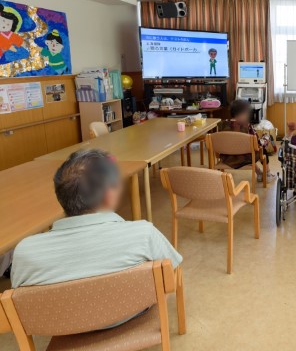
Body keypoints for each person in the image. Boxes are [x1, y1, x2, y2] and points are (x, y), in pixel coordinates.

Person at [11, 149, 182, 288]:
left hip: (63, 320)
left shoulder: (25, 253)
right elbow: (172, 274)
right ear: (109, 195)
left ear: (60, 196)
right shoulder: (143, 234)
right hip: (134, 313)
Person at [218, 99, 273, 180]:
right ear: (242, 113)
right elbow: (257, 143)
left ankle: (259, 173)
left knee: (248, 150)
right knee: (261, 150)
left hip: (227, 158)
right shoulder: (246, 126)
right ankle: (267, 174)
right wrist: (266, 139)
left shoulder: (222, 125)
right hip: (245, 158)